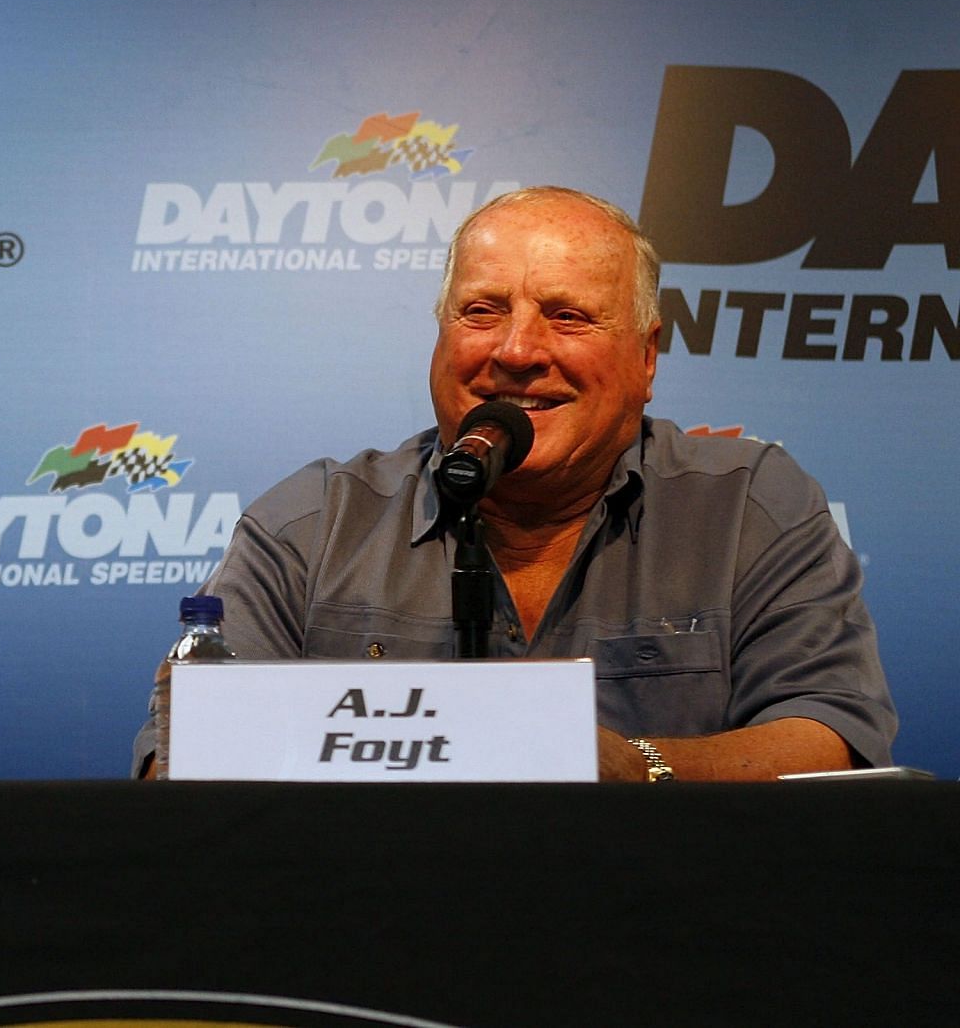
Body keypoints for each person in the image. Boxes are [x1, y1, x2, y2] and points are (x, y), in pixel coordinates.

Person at [136, 186, 895, 781]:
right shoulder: (309, 526)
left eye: (568, 316)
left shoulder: (751, 507)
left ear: (647, 357)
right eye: (481, 310)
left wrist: (640, 768)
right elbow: (180, 765)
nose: (518, 349)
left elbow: (831, 735)